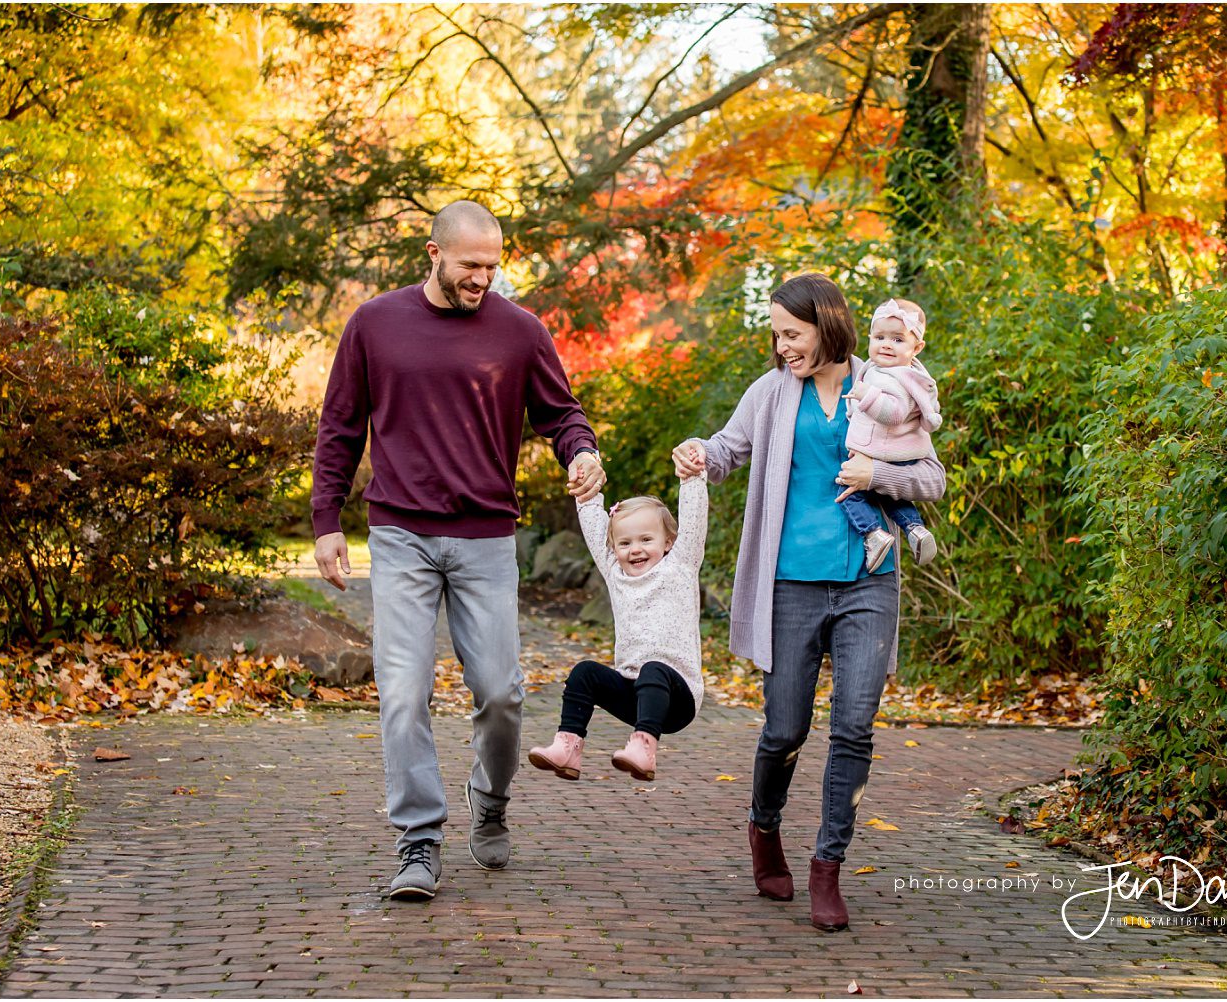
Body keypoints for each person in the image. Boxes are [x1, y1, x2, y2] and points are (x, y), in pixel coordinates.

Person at [311, 200, 605, 903]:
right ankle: (418, 842)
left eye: (493, 266)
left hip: (485, 536)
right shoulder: (374, 324)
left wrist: (582, 449)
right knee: (404, 692)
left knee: (501, 693)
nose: (483, 279)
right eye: (471, 265)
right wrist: (327, 520)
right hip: (400, 535)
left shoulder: (519, 329)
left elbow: (561, 412)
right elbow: (341, 425)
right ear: (433, 254)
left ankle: (491, 798)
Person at [672, 273, 945, 932]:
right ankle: (764, 827)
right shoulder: (771, 393)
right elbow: (727, 452)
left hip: (867, 581)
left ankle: (828, 866)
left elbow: (931, 476)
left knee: (853, 727)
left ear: (826, 326)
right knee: (785, 730)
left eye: (791, 334)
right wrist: (695, 454)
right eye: (777, 334)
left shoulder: (886, 380)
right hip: (789, 583)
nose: (782, 345)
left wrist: (878, 475)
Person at [527, 472, 707, 783]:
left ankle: (644, 747)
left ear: (669, 542)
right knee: (584, 673)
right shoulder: (616, 574)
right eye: (625, 543)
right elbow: (597, 531)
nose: (634, 549)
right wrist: (586, 495)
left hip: (679, 699)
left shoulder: (681, 565)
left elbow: (693, 521)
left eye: (646, 540)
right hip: (634, 694)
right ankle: (567, 747)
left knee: (655, 668)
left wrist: (692, 478)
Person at [840, 297, 941, 571]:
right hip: (896, 454)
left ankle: (873, 534)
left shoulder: (895, 377)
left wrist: (867, 397)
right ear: (869, 337)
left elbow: (894, 413)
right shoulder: (887, 371)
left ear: (916, 348)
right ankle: (915, 529)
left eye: (897, 340)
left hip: (884, 452)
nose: (886, 344)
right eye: (880, 336)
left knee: (847, 491)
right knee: (890, 495)